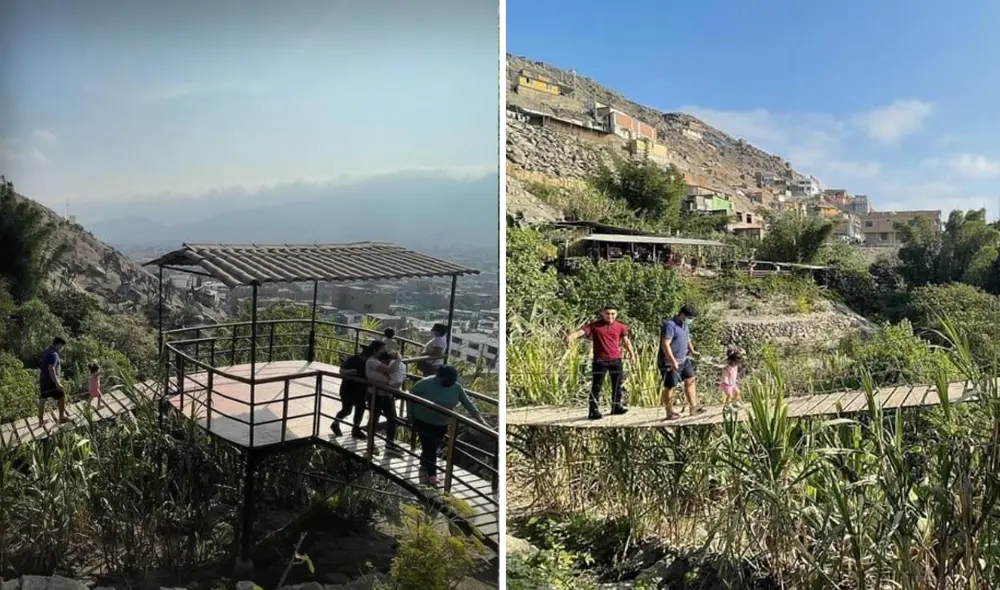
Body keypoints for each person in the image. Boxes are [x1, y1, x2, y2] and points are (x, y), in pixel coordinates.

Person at [408, 365, 484, 487]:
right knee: (430, 447)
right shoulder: (425, 383)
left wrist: (481, 420)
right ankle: (432, 474)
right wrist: (410, 416)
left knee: (432, 447)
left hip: (442, 422)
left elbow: (468, 404)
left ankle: (424, 463)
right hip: (423, 420)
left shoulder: (456, 386)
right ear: (439, 377)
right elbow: (410, 397)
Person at [564, 305, 636, 420]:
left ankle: (616, 406)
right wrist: (571, 337)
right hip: (600, 360)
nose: (610, 316)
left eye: (613, 314)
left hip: (616, 359)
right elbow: (581, 332)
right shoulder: (595, 325)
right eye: (607, 313)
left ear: (616, 314)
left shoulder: (620, 327)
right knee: (597, 386)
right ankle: (593, 410)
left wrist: (632, 354)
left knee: (617, 385)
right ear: (602, 313)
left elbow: (626, 341)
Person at [659, 305, 704, 420]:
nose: (691, 320)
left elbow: (687, 337)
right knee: (670, 386)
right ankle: (669, 412)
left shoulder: (685, 325)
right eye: (689, 317)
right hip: (669, 362)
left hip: (684, 359)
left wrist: (692, 350)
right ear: (682, 314)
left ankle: (693, 408)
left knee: (690, 380)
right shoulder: (670, 325)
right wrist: (672, 360)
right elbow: (666, 344)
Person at [365, 341, 404, 457]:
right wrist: (398, 359)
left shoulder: (378, 360)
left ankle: (388, 444)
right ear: (375, 351)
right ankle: (372, 444)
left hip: (385, 394)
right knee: (375, 419)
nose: (384, 351)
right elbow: (390, 370)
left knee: (392, 419)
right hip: (377, 395)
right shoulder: (372, 361)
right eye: (382, 349)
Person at [331, 343, 376, 440]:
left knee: (360, 409)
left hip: (361, 391)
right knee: (347, 410)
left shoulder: (371, 363)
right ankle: (335, 423)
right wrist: (348, 372)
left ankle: (356, 429)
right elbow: (341, 370)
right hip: (348, 389)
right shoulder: (353, 360)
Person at [38, 336, 69, 426]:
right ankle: (61, 418)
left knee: (42, 399)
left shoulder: (47, 350)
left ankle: (40, 421)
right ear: (59, 344)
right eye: (62, 346)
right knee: (62, 396)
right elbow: (51, 368)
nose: (62, 348)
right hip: (51, 382)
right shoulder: (54, 354)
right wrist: (57, 383)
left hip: (43, 379)